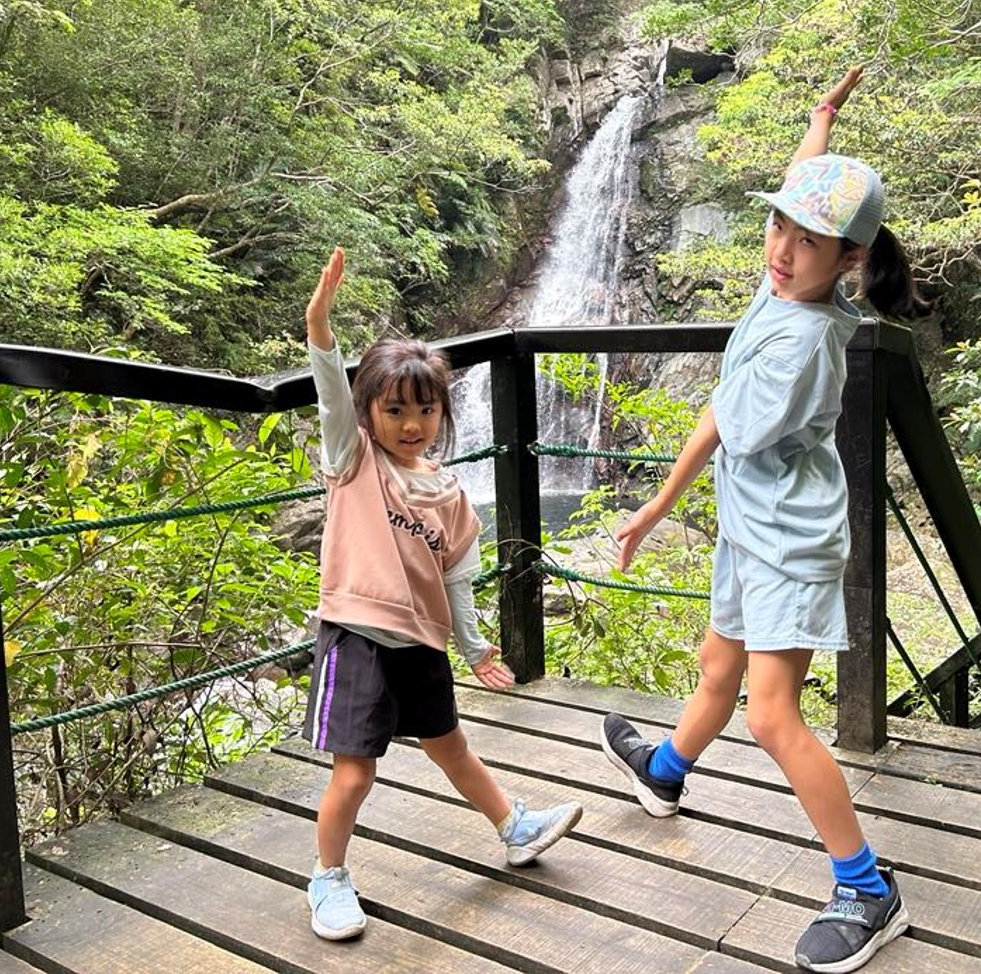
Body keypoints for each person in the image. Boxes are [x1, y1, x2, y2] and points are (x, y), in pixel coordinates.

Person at [600, 67, 925, 972]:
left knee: (772, 717)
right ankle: (663, 773)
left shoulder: (805, 344)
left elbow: (724, 420)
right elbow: (799, 197)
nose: (781, 247)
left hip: (788, 544)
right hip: (752, 529)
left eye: (807, 239)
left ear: (849, 260)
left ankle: (867, 887)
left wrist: (659, 503)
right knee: (718, 666)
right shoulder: (785, 288)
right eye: (778, 226)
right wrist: (821, 121)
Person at [301, 245, 582, 941]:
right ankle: (327, 877)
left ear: (441, 415)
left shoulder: (452, 494)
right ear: (369, 413)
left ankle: (514, 827)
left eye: (424, 410)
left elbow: (457, 578)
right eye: (394, 409)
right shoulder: (354, 460)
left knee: (451, 745)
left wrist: (475, 647)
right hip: (357, 636)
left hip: (421, 643)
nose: (410, 424)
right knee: (355, 774)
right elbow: (331, 393)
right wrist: (319, 326)